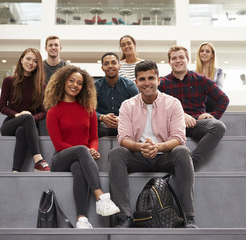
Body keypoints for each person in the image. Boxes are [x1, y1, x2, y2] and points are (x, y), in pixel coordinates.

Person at [109, 60, 196, 228]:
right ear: (136, 82)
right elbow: (124, 138)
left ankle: (189, 218)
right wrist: (141, 147)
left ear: (159, 80)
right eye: (142, 79)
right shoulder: (127, 105)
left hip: (165, 155)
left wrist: (158, 147)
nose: (147, 83)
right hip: (138, 156)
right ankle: (124, 218)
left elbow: (178, 137)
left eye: (151, 78)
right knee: (116, 153)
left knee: (183, 152)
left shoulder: (173, 103)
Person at [44, 65, 120, 229]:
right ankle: (100, 197)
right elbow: (58, 144)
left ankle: (82, 219)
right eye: (71, 80)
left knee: (79, 167)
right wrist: (84, 150)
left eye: (79, 83)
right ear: (63, 82)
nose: (75, 85)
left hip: (81, 159)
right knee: (80, 150)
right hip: (60, 159)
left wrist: (92, 149)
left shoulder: (89, 110)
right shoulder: (53, 112)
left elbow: (93, 138)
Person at [159, 45, 229, 171]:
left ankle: (191, 163)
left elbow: (224, 99)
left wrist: (213, 115)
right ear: (169, 62)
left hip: (197, 123)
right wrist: (181, 115)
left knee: (218, 127)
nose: (178, 60)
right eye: (174, 58)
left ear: (188, 60)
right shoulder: (162, 83)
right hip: (172, 125)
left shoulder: (201, 80)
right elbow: (155, 106)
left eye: (181, 57)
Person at [0, 48, 50, 173]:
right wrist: (18, 115)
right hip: (10, 124)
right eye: (28, 59)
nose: (31, 63)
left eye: (35, 61)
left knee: (22, 130)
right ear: (21, 60)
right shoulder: (9, 81)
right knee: (26, 118)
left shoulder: (41, 86)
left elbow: (43, 112)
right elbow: (2, 107)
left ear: (38, 65)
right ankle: (38, 160)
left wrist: (31, 119)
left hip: (29, 126)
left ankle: (15, 171)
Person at [95, 52, 139, 138]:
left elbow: (139, 107)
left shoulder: (129, 85)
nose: (110, 66)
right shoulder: (95, 87)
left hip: (125, 126)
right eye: (106, 64)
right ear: (102, 68)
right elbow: (88, 109)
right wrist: (101, 117)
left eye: (113, 63)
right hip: (100, 127)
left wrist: (122, 118)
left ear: (119, 66)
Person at [195, 42, 225, 112]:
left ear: (212, 55)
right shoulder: (193, 73)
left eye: (207, 51)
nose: (204, 53)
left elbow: (218, 90)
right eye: (202, 51)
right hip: (197, 105)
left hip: (212, 103)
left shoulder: (218, 71)